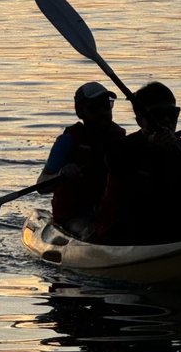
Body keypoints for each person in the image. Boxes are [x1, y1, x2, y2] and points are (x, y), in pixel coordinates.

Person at [94, 81, 181, 245]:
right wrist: (151, 145)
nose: (166, 120)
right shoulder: (122, 148)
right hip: (138, 239)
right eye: (157, 114)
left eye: (172, 113)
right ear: (140, 120)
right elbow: (115, 162)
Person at [38, 81, 125, 237]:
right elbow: (41, 186)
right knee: (89, 231)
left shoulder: (120, 140)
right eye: (94, 108)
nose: (102, 113)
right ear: (80, 112)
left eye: (106, 106)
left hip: (107, 211)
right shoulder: (68, 142)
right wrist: (60, 176)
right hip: (75, 216)